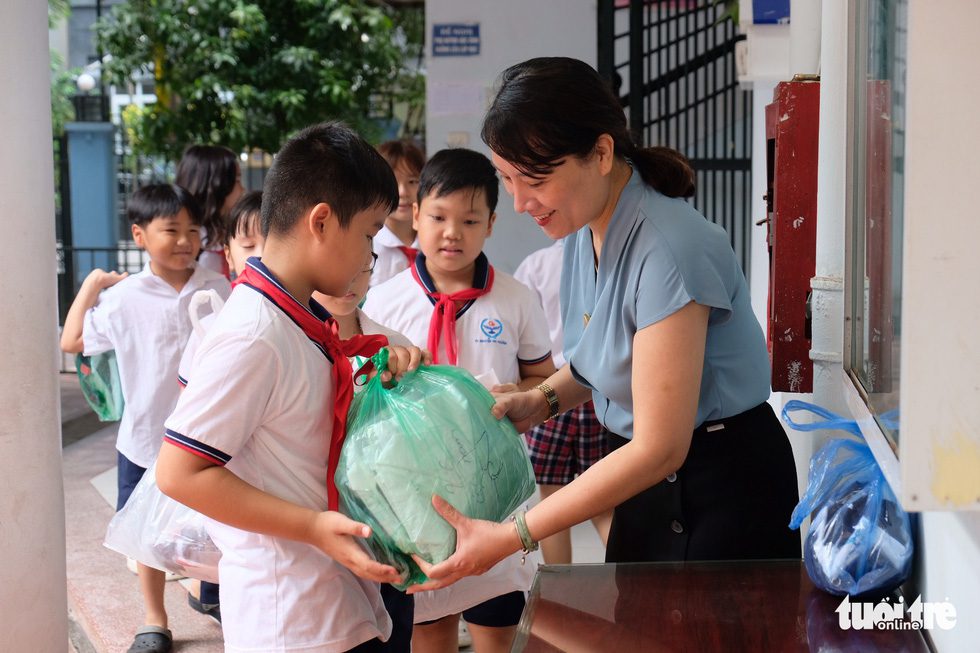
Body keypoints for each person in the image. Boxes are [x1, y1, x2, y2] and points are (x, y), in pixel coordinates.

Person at [410, 57, 801, 593]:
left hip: (721, 485)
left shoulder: (670, 247)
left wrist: (511, 535)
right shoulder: (584, 229)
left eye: (535, 180)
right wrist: (541, 399)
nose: (522, 203)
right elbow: (603, 356)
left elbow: (662, 445)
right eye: (508, 180)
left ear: (600, 153)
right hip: (645, 479)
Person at [156, 122, 425, 653]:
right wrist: (311, 527)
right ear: (321, 221)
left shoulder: (296, 317)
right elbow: (179, 472)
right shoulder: (255, 333)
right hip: (291, 621)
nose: (370, 256)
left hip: (331, 603)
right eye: (369, 235)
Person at [363, 148, 556, 653]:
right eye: (439, 217)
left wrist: (517, 392)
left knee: (499, 626)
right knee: (429, 627)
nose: (453, 232)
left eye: (470, 220)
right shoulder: (384, 301)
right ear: (414, 214)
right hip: (420, 500)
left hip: (497, 493)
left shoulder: (516, 298)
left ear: (491, 223)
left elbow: (544, 378)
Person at [60, 184, 231, 653]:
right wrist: (92, 286)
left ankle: (217, 598)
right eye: (170, 230)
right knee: (144, 538)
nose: (184, 241)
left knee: (216, 526)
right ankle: (155, 621)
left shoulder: (220, 287)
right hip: (143, 438)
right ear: (139, 235)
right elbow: (72, 342)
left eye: (193, 230)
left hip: (208, 439)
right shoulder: (125, 297)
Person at [176, 190, 265, 624]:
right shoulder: (211, 321)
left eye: (271, 243)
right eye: (249, 247)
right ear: (227, 255)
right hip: (225, 473)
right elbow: (188, 401)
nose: (261, 256)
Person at [513, 240, 613, 564]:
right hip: (596, 390)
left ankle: (559, 596)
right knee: (602, 500)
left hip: (550, 390)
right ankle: (632, 580)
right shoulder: (609, 257)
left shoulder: (536, 264)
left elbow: (524, 333)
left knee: (551, 498)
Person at [176, 144, 245, 278]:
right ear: (215, 185)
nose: (242, 189)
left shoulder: (220, 234)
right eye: (236, 180)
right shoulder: (192, 244)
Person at [370, 139, 426, 288]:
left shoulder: (434, 240)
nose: (402, 192)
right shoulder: (367, 245)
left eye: (413, 181)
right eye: (393, 182)